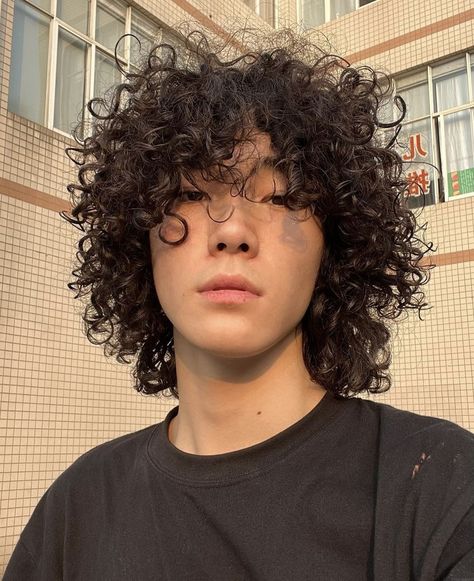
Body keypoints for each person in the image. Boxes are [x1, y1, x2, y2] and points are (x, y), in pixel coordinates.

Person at [4, 27, 474, 580]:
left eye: (280, 197)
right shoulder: (74, 511)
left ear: (336, 246)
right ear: (140, 236)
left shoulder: (443, 490)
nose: (232, 232)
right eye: (193, 195)